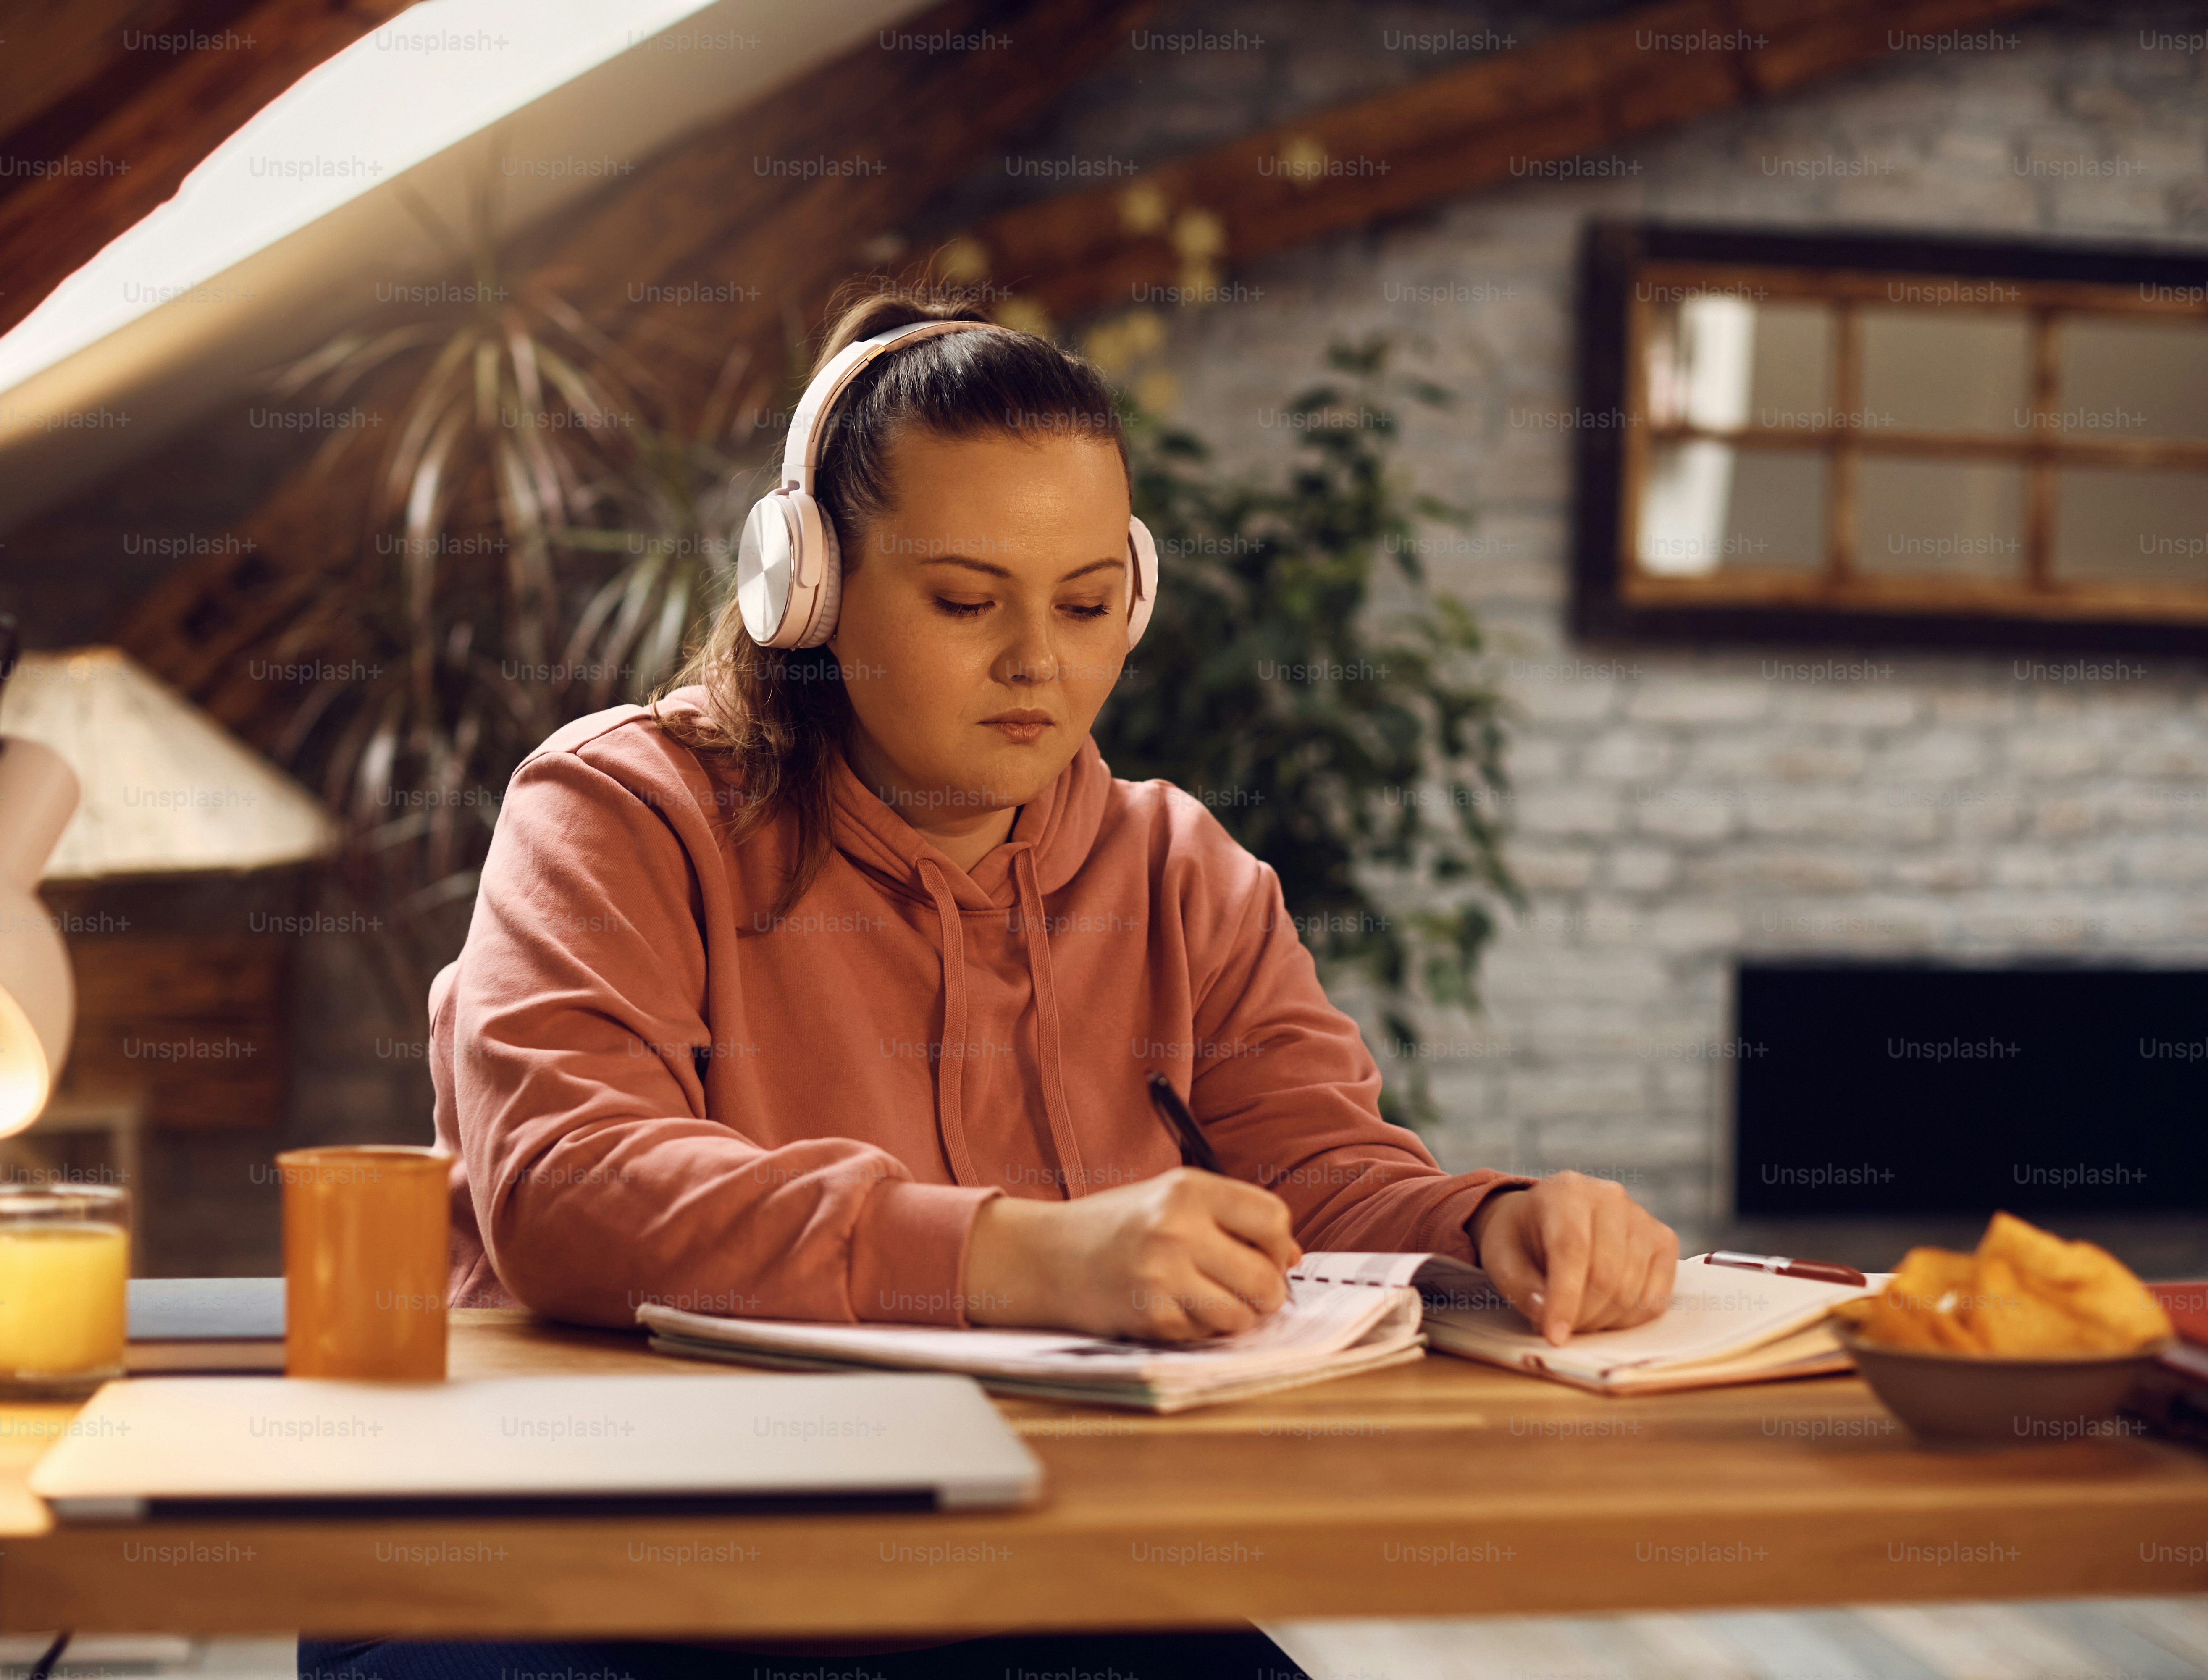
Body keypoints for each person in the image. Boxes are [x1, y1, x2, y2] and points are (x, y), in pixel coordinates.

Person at [310, 289, 1678, 1680]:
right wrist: (1020, 1256)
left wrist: (1490, 1224)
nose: (1040, 662)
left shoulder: (1178, 869)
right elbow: (573, 1188)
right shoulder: (617, 810)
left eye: (1087, 604)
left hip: (1000, 1568)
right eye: (968, 601)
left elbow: (1316, 1178)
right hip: (573, 1568)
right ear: (808, 586)